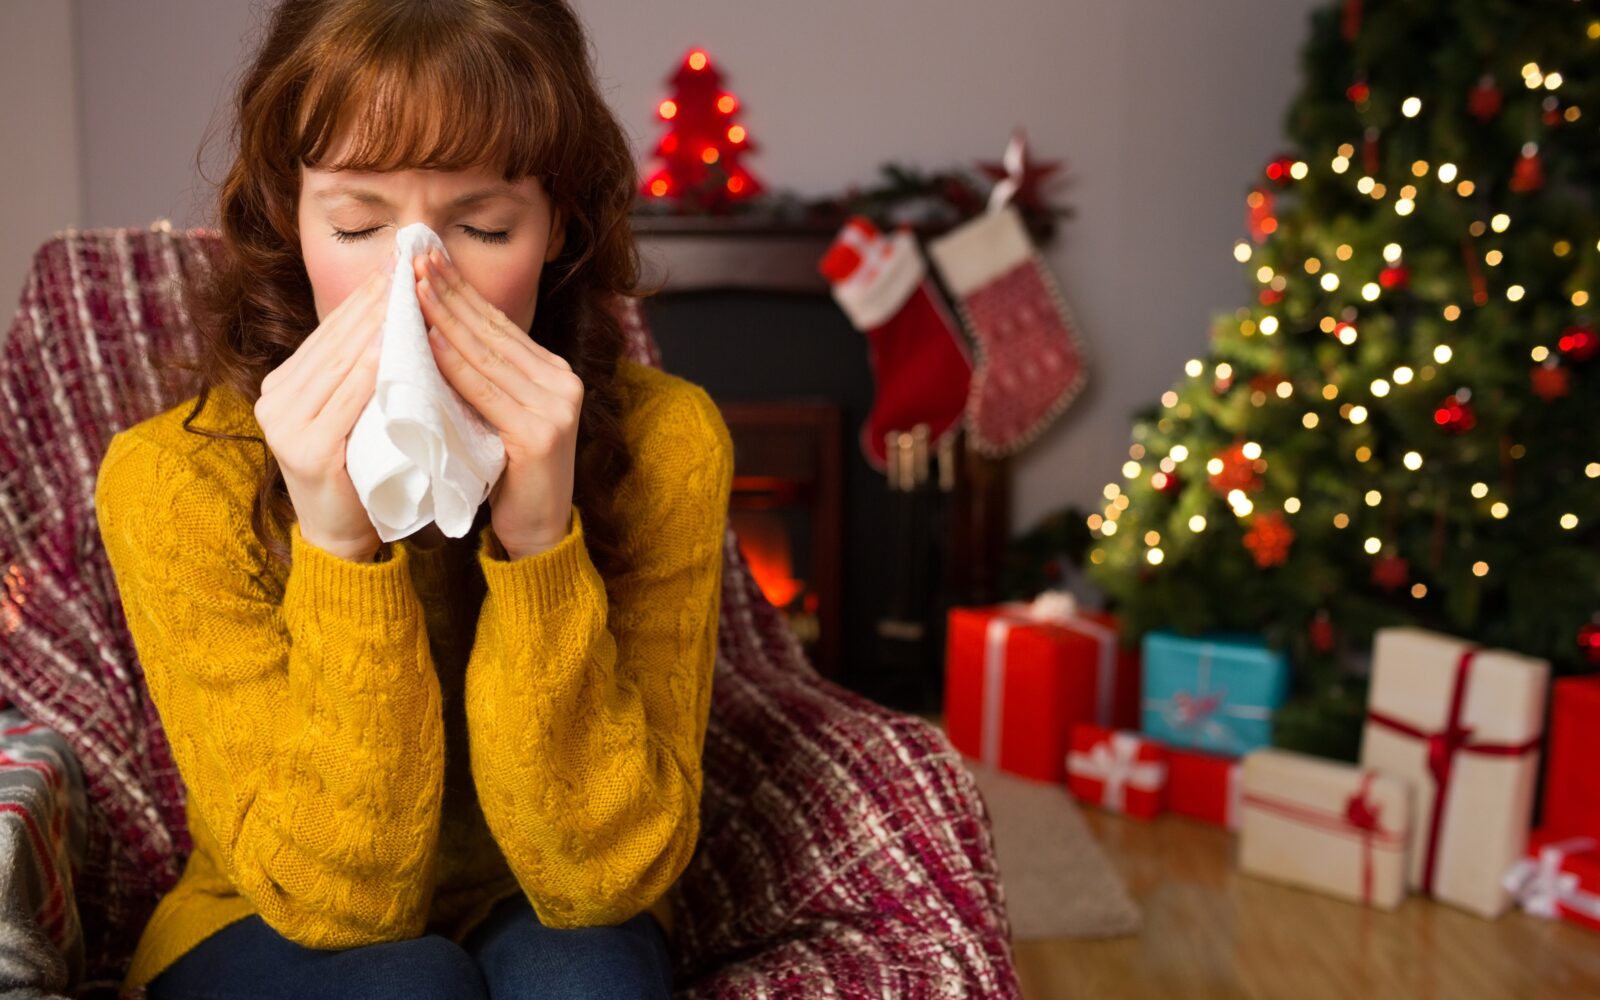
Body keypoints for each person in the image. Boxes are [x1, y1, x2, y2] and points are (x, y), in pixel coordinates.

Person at [92, 1, 734, 997]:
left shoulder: (666, 443)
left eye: (483, 225)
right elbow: (341, 905)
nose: (415, 282)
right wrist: (338, 545)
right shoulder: (173, 477)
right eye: (356, 224)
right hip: (269, 914)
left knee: (587, 974)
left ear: (556, 221)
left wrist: (538, 540)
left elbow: (601, 876)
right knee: (407, 984)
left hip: (542, 893)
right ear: (289, 220)